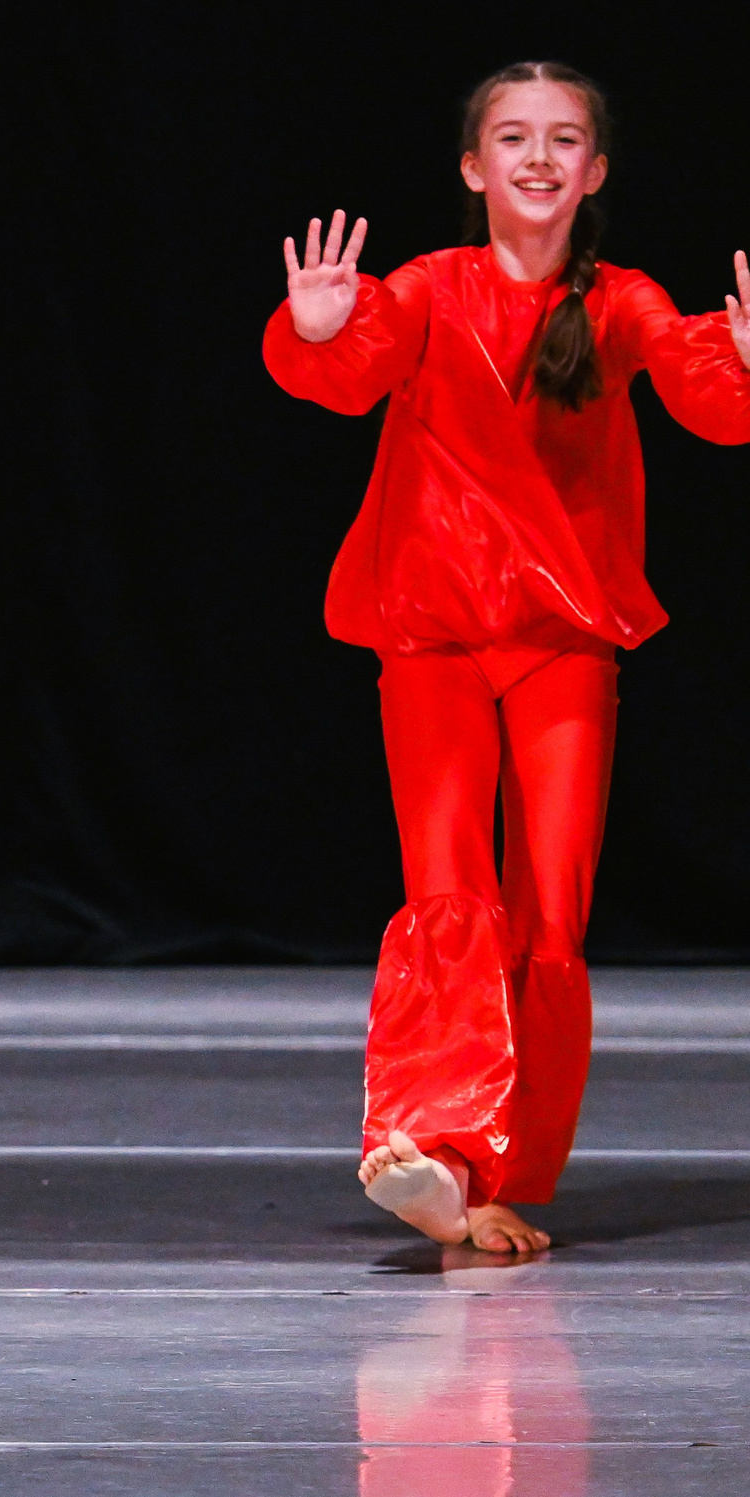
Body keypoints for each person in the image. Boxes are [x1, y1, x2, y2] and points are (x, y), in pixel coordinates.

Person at [265, 62, 750, 1253]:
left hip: (560, 644)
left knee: (549, 913)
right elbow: (346, 366)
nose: (539, 158)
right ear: (474, 168)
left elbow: (709, 393)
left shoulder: (621, 303)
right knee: (447, 893)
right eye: (513, 138)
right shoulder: (430, 288)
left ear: (593, 173)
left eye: (565, 139)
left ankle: (507, 1177)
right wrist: (313, 329)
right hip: (429, 633)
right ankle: (436, 1147)